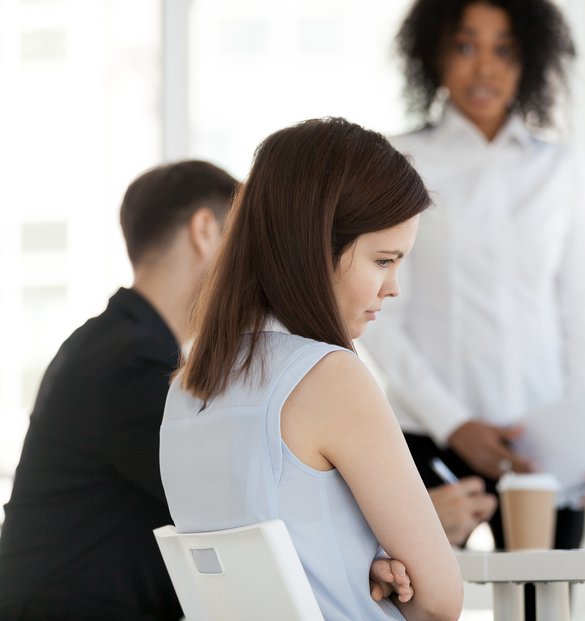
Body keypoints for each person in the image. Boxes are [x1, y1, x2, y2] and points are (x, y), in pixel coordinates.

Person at [159, 117, 463, 620]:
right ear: (314, 249)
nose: (393, 288)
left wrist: (352, 561)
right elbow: (439, 603)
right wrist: (377, 567)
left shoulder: (187, 390)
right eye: (383, 260)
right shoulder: (330, 377)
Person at [362, 0, 585, 556]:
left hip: (543, 452)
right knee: (417, 604)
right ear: (433, 54)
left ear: (530, 58)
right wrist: (455, 426)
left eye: (504, 49)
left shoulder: (561, 169)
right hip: (431, 437)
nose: (485, 68)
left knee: (542, 606)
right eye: (465, 45)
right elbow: (378, 312)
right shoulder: (399, 159)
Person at [0, 160, 237, 620]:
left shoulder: (111, 342)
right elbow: (225, 495)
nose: (249, 271)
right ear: (205, 230)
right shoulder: (129, 359)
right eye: (242, 244)